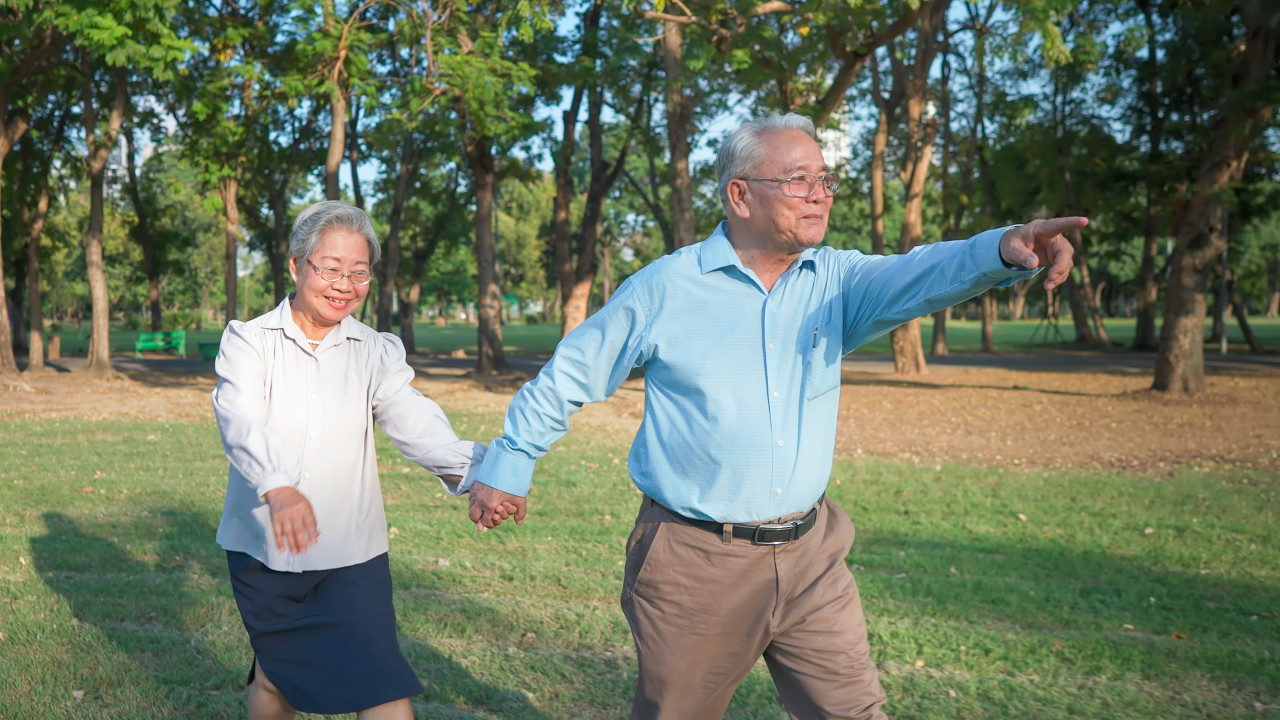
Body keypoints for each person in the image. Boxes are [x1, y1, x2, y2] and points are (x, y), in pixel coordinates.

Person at [467, 112, 1085, 719]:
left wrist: (1003, 246)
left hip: (813, 555)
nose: (819, 195)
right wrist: (509, 464)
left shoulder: (836, 281)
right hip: (696, 564)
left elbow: (921, 271)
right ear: (740, 195)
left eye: (824, 180)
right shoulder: (666, 287)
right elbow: (570, 375)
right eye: (798, 180)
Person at [212, 200, 489, 720]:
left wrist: (484, 475)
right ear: (296, 266)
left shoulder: (374, 350)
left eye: (359, 273)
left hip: (351, 555)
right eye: (331, 269)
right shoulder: (249, 341)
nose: (345, 285)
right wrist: (278, 487)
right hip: (265, 550)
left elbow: (415, 421)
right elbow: (239, 419)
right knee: (275, 680)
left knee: (380, 682)